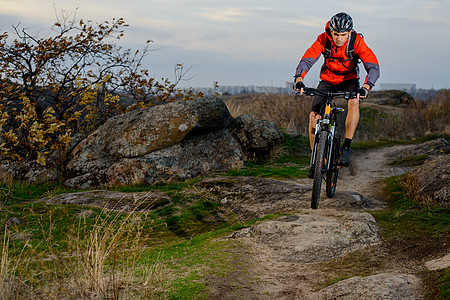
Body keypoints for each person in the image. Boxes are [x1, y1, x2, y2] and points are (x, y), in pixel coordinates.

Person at [294, 12, 380, 178]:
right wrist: (299, 78)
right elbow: (308, 59)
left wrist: (367, 86)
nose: (339, 39)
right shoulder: (323, 39)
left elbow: (373, 66)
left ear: (349, 33)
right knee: (313, 116)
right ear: (330, 32)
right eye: (336, 34)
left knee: (354, 101)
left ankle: (346, 147)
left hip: (349, 79)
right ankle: (315, 160)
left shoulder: (357, 42)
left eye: (343, 35)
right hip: (328, 79)